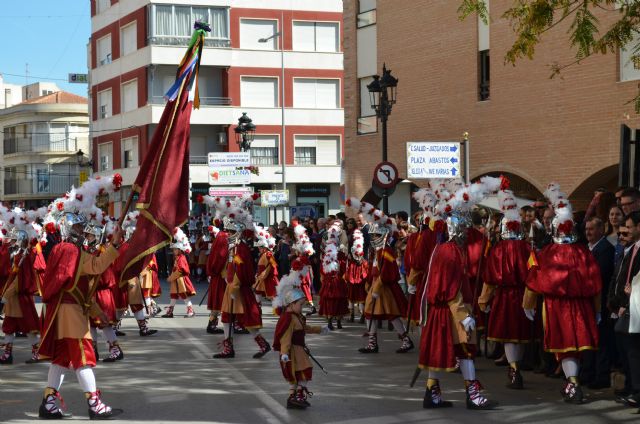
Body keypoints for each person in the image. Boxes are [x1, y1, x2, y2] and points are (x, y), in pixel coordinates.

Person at [38, 175, 124, 420]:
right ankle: (94, 404)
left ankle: (49, 403)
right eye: (76, 227)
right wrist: (114, 246)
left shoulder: (64, 249)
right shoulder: (70, 250)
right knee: (84, 357)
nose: (80, 230)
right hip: (71, 313)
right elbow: (96, 266)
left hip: (68, 310)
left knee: (62, 359)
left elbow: (85, 275)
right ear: (67, 228)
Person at [416, 178, 501, 411]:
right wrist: (463, 315)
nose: (467, 231)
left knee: (440, 352)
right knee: (465, 351)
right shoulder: (451, 251)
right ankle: (472, 394)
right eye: (464, 227)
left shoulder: (446, 249)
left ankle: (431, 393)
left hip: (442, 312)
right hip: (452, 312)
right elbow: (450, 287)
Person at [524, 183, 602, 404]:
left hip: (556, 306)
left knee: (565, 346)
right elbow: (595, 284)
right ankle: (572, 382)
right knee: (575, 347)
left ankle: (573, 383)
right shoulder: (584, 253)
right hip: (582, 306)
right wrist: (596, 310)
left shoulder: (548, 253)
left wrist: (528, 303)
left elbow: (534, 279)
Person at [478, 190, 532, 389]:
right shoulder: (527, 249)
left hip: (504, 296)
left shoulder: (498, 249)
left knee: (509, 335)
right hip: (524, 296)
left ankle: (514, 368)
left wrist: (483, 300)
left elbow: (490, 278)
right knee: (519, 335)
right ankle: (515, 368)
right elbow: (534, 274)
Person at [347, 198, 413, 355]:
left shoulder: (387, 251)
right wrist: (370, 282)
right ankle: (375, 343)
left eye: (376, 235)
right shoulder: (377, 251)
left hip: (384, 288)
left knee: (389, 315)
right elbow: (374, 269)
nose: (373, 238)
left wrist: (376, 286)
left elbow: (388, 273)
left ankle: (403, 340)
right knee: (372, 315)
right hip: (377, 287)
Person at [212, 194, 271, 359]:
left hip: (236, 289)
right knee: (227, 318)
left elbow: (241, 268)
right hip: (232, 286)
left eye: (230, 231)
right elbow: (234, 264)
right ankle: (230, 348)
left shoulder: (240, 248)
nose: (228, 234)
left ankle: (260, 343)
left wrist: (234, 285)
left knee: (244, 318)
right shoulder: (235, 247)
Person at [272, 269, 330, 409]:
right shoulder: (288, 319)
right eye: (300, 304)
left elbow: (305, 328)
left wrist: (320, 329)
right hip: (293, 352)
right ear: (291, 304)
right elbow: (285, 338)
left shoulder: (296, 316)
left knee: (299, 375)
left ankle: (294, 397)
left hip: (299, 351)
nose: (301, 307)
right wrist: (284, 353)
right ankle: (297, 396)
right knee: (303, 373)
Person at [0, 221, 46, 365]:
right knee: (9, 326)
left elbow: (18, 282)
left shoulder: (23, 257)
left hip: (21, 298)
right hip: (13, 299)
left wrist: (4, 297)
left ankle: (37, 352)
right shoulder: (18, 256)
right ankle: (7, 354)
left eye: (14, 240)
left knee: (29, 328)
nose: (11, 242)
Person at [581, 217, 616, 389]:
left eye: (592, 229)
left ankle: (601, 376)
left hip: (600, 302)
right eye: (586, 229)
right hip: (587, 302)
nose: (588, 232)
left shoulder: (606, 249)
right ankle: (586, 373)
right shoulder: (587, 248)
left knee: (601, 340)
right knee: (588, 338)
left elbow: (598, 276)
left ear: (601, 230)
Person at [319, 221, 349, 330]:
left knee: (332, 301)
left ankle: (332, 321)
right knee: (335, 301)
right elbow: (343, 267)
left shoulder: (329, 254)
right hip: (334, 280)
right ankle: (335, 322)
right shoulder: (338, 254)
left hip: (332, 280)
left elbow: (323, 269)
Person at [162, 228, 197, 318]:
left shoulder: (181, 258)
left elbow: (181, 270)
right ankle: (170, 311)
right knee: (173, 296)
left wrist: (171, 277)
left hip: (181, 280)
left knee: (184, 295)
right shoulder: (177, 257)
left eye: (175, 249)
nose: (173, 251)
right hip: (176, 280)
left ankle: (190, 310)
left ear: (180, 249)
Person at [205, 223, 228, 334]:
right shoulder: (223, 237)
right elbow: (220, 257)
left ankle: (212, 324)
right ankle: (234, 326)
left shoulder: (221, 236)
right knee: (220, 301)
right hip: (221, 275)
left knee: (219, 302)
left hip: (220, 274)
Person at [346, 225, 368, 323]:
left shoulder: (358, 248)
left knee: (358, 295)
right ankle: (355, 315)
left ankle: (358, 315)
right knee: (356, 295)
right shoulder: (358, 247)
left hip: (357, 271)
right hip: (356, 271)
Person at [253, 227, 279, 304]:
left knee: (272, 296)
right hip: (262, 278)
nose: (258, 248)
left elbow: (274, 265)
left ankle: (279, 310)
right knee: (258, 292)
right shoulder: (263, 254)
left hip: (269, 278)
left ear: (264, 248)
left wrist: (265, 273)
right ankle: (258, 309)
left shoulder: (268, 254)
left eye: (260, 247)